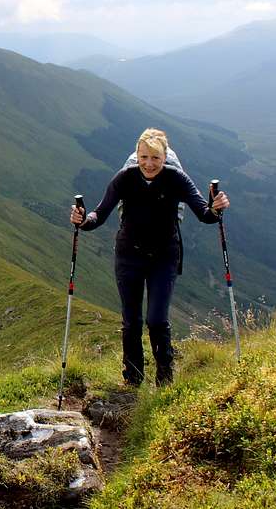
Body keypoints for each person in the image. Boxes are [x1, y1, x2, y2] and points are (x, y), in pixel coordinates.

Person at [70, 128, 230, 386]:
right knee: (131, 321)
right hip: (128, 256)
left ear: (165, 157)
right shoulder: (125, 178)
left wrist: (216, 206)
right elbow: (99, 214)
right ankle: (133, 379)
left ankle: (164, 380)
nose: (149, 163)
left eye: (155, 158)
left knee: (157, 320)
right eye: (144, 157)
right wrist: (82, 220)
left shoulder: (176, 178)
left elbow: (205, 214)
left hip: (164, 257)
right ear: (137, 155)